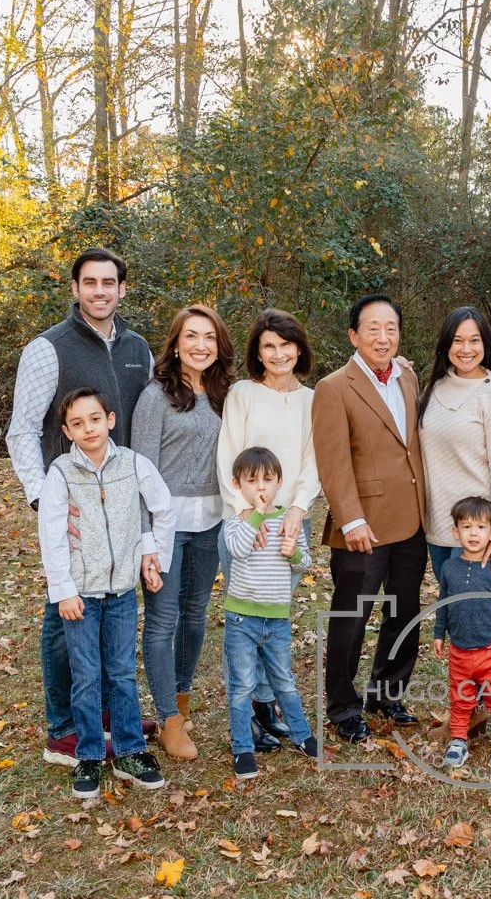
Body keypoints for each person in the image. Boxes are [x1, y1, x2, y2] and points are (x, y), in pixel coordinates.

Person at [6, 247, 156, 766]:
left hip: (121, 503)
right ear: (74, 289)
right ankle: (63, 728)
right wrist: (41, 496)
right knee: (63, 609)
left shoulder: (138, 348)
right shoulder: (47, 349)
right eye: (89, 282)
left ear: (122, 289)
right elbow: (23, 431)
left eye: (108, 282)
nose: (99, 291)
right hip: (70, 501)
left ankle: (109, 713)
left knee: (113, 606)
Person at [37, 388, 173, 798]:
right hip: (80, 594)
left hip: (121, 593)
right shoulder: (61, 473)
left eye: (95, 419)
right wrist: (63, 590)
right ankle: (90, 754)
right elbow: (52, 535)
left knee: (121, 672)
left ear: (110, 420)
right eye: (77, 423)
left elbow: (162, 507)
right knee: (86, 676)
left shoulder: (132, 463)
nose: (89, 428)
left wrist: (154, 555)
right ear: (67, 431)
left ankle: (131, 751)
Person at [312, 294, 428, 743]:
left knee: (404, 611)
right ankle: (343, 707)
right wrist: (350, 519)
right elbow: (333, 461)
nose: (383, 337)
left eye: (391, 328)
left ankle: (387, 694)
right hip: (363, 526)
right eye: (373, 328)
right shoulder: (334, 387)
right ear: (353, 335)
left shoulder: (407, 376)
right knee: (352, 616)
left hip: (411, 519)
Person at [130, 304, 235, 761]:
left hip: (211, 521)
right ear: (175, 343)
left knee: (195, 615)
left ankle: (181, 699)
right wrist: (146, 540)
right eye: (191, 336)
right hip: (166, 526)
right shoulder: (155, 396)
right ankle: (167, 720)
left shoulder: (226, 394)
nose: (200, 345)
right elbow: (139, 472)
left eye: (209, 337)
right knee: (162, 620)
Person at [217, 309, 321, 750]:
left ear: (299, 348)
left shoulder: (312, 399)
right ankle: (248, 715)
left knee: (273, 614)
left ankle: (266, 706)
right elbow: (228, 455)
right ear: (257, 353)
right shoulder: (243, 393)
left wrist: (296, 510)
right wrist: (246, 512)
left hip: (290, 520)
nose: (279, 354)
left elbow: (314, 460)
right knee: (244, 618)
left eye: (286, 344)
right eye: (269, 346)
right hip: (246, 520)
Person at [220, 447, 321, 780]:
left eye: (268, 479)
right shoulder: (236, 521)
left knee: (284, 681)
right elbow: (237, 549)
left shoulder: (288, 521)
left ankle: (301, 734)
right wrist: (258, 514)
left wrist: (294, 555)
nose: (261, 486)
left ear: (280, 482)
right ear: (237, 484)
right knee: (242, 686)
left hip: (276, 619)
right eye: (252, 481)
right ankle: (243, 748)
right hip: (241, 619)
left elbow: (304, 562)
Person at [416, 307, 491, 579]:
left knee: (470, 605)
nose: (466, 349)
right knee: (449, 600)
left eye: (474, 340)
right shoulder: (434, 388)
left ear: (485, 344)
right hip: (437, 525)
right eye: (458, 340)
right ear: (446, 344)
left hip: (475, 529)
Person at [432, 497, 491, 770]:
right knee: (460, 699)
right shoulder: (449, 568)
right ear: (455, 531)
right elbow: (443, 604)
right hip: (459, 651)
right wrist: (438, 633)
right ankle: (459, 740)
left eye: (481, 527)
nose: (473, 533)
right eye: (466, 527)